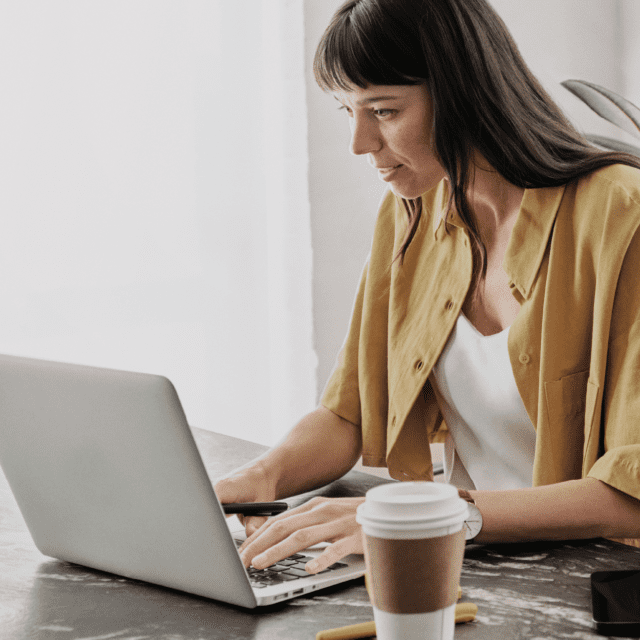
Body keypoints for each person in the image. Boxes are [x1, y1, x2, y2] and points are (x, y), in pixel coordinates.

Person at [214, 0, 640, 575]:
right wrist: (260, 477)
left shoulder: (620, 214)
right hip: (474, 570)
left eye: (383, 111)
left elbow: (631, 492)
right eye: (347, 111)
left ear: (464, 91)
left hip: (598, 587)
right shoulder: (411, 213)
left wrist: (429, 515)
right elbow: (353, 413)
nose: (359, 143)